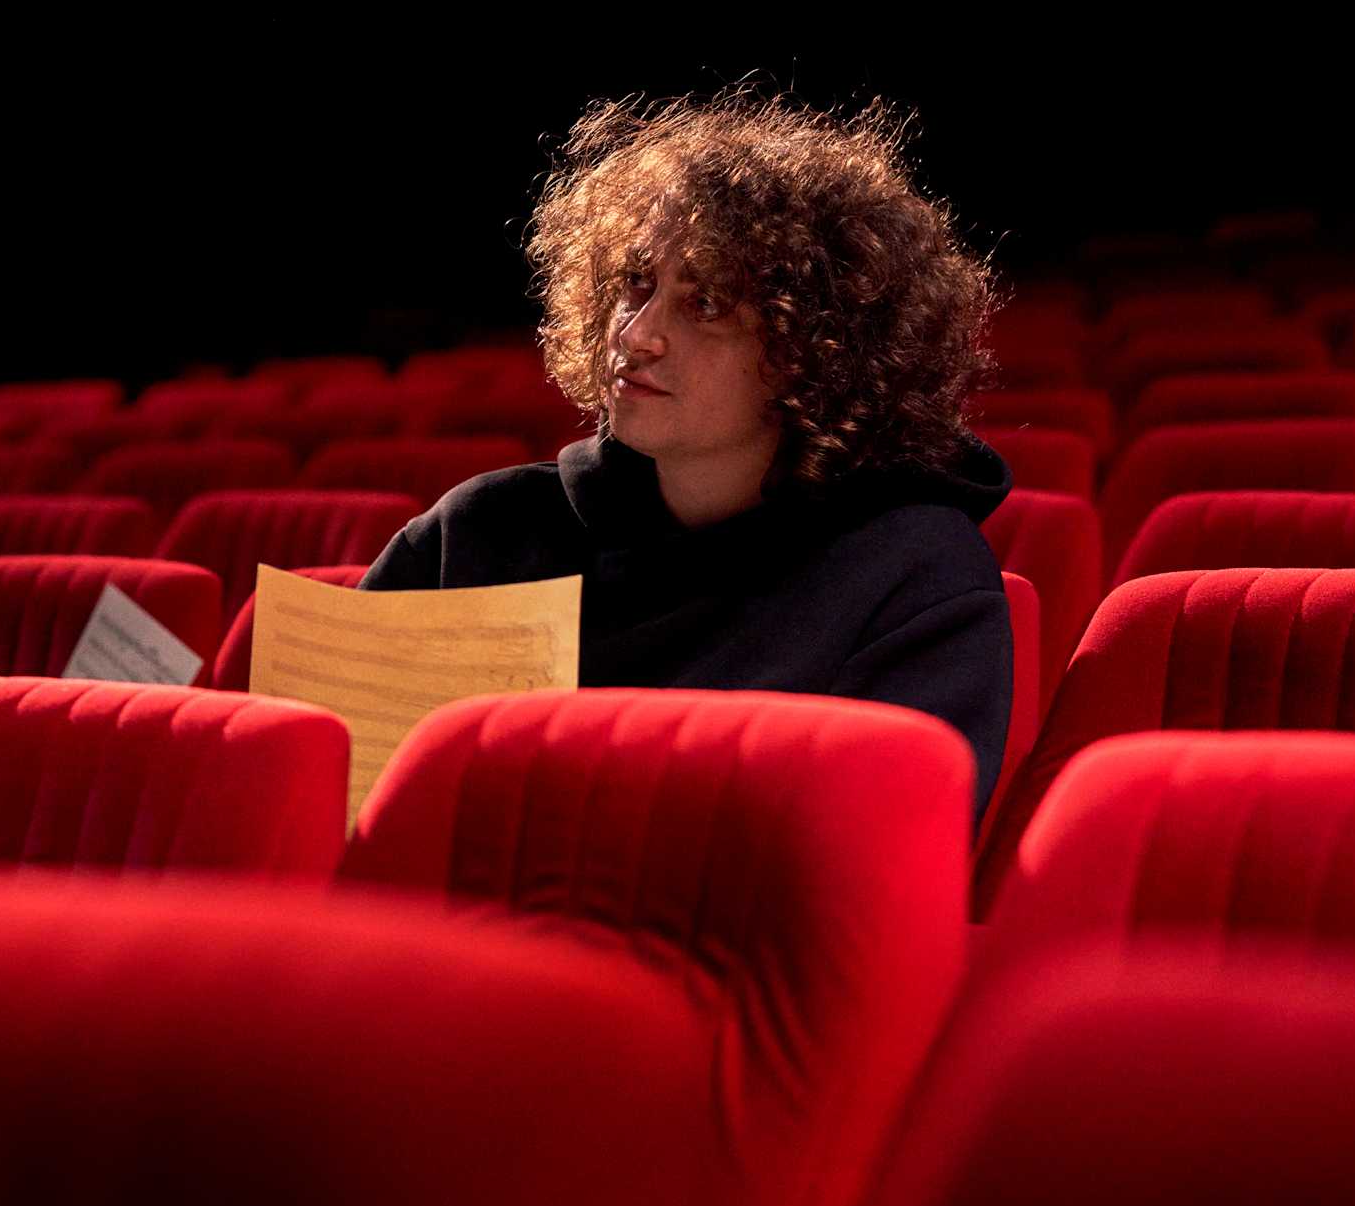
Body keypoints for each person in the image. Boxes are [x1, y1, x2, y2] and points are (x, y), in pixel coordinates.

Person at [358, 87, 1014, 822]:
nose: (636, 334)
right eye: (635, 285)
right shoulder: (478, 534)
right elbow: (336, 809)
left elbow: (877, 873)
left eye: (704, 304)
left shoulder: (913, 576)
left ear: (817, 348)